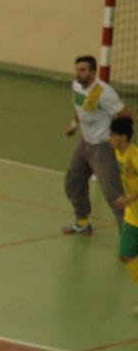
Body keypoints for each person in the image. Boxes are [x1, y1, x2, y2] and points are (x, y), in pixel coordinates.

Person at [63, 55, 131, 235]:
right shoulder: (76, 85)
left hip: (102, 147)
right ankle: (83, 222)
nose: (78, 73)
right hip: (85, 143)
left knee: (113, 194)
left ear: (93, 72)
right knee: (74, 181)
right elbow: (80, 108)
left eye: (83, 70)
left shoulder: (105, 93)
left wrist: (118, 141)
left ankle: (129, 238)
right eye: (77, 69)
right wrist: (74, 125)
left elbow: (126, 116)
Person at [109, 117, 138, 310]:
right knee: (125, 255)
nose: (109, 139)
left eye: (112, 135)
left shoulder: (135, 157)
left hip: (133, 208)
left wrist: (128, 200)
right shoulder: (118, 154)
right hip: (132, 216)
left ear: (123, 137)